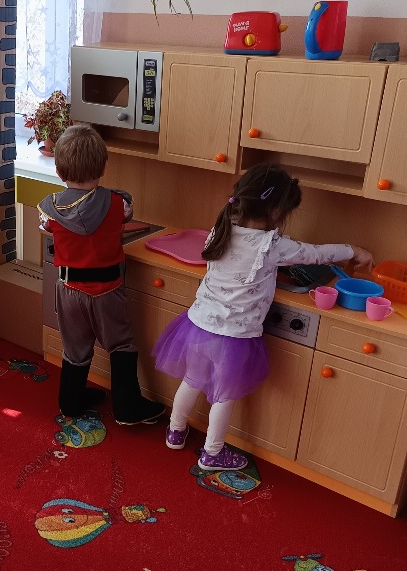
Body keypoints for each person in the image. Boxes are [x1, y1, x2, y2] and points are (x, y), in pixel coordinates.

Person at [153, 162, 373, 470]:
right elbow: (316, 253)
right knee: (224, 397)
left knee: (191, 379)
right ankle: (212, 453)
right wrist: (354, 250)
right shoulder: (272, 245)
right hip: (233, 337)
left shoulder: (221, 228)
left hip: (199, 325)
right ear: (276, 211)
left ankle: (175, 431)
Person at [38, 124, 165, 425]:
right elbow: (124, 217)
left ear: (59, 171)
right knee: (120, 345)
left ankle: (71, 402)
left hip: (69, 290)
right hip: (107, 289)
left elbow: (46, 227)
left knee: (75, 348)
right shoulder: (120, 203)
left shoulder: (49, 208)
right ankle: (127, 407)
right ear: (103, 167)